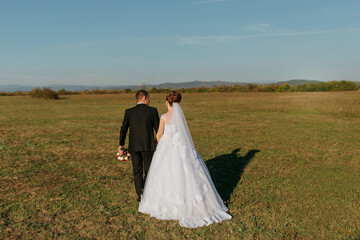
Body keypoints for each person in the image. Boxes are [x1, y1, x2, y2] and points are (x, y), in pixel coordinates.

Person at [139, 91, 232, 228]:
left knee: (166, 175)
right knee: (188, 173)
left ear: (167, 102)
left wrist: (161, 145)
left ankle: (169, 204)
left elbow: (159, 134)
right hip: (181, 148)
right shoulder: (181, 118)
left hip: (167, 149)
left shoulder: (164, 117)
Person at [119, 90, 160, 202]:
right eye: (149, 98)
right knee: (148, 170)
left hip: (134, 146)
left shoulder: (129, 112)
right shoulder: (152, 111)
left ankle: (140, 194)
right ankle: (147, 193)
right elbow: (158, 129)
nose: (149, 100)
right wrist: (158, 141)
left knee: (137, 171)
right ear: (145, 98)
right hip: (148, 146)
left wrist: (121, 145)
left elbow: (123, 129)